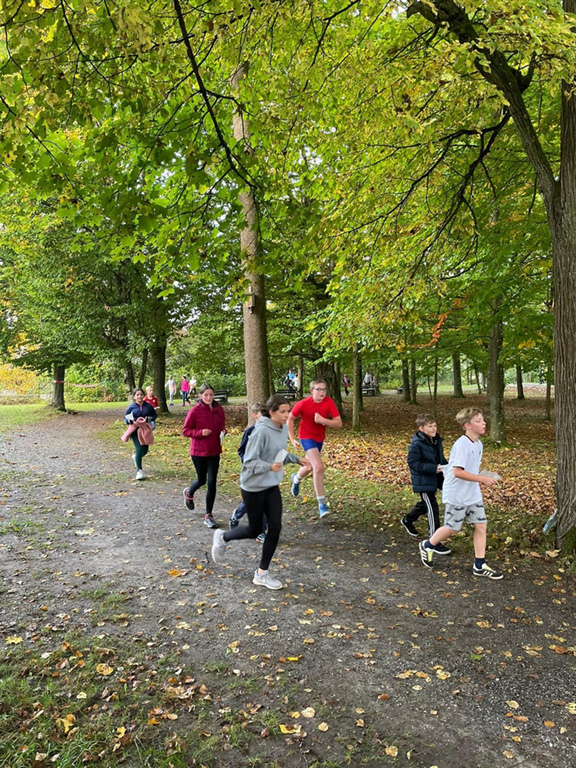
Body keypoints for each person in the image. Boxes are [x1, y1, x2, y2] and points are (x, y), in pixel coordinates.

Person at [211, 395, 310, 589]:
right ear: (272, 412)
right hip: (253, 487)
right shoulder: (261, 431)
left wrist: (296, 459)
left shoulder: (282, 429)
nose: (287, 415)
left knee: (275, 527)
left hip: (271, 485)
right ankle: (223, 537)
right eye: (283, 411)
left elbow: (279, 454)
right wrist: (268, 467)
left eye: (289, 411)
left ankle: (262, 574)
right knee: (255, 530)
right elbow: (249, 461)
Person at [419, 407, 503, 580]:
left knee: (481, 525)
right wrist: (481, 479)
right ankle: (428, 545)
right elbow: (457, 472)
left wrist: (484, 476)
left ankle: (479, 565)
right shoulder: (461, 445)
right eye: (478, 421)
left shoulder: (478, 444)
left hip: (472, 494)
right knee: (452, 528)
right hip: (456, 494)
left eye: (483, 420)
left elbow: (470, 469)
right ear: (467, 426)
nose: (484, 423)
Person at [287, 379, 342, 518]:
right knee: (318, 467)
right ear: (312, 391)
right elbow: (290, 419)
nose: (322, 392)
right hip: (306, 437)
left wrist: (324, 421)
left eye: (324, 389)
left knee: (310, 466)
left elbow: (338, 423)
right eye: (318, 389)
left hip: (319, 438)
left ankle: (296, 478)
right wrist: (292, 439)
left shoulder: (329, 402)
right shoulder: (303, 404)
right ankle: (322, 505)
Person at [401, 414, 449, 553]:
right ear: (421, 428)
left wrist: (448, 466)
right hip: (423, 480)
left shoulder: (436, 441)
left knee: (426, 503)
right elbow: (413, 463)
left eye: (435, 425)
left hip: (437, 477)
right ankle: (434, 542)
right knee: (432, 508)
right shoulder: (416, 444)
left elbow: (440, 459)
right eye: (430, 426)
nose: (434, 428)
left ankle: (408, 520)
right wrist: (433, 468)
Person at [182, 383, 226, 528]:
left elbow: (221, 425)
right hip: (198, 451)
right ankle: (189, 493)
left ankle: (208, 514)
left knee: (212, 482)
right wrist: (200, 432)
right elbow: (185, 430)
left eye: (211, 395)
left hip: (214, 450)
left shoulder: (219, 409)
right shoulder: (195, 411)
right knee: (202, 480)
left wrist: (223, 431)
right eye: (206, 395)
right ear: (200, 396)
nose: (209, 397)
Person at [229, 403, 268, 542]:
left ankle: (261, 532)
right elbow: (241, 451)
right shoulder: (250, 432)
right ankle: (237, 514)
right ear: (255, 416)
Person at [124, 387, 157, 481]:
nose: (139, 396)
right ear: (134, 397)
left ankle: (136, 457)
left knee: (145, 450)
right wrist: (129, 421)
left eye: (141, 394)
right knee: (139, 448)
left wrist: (149, 419)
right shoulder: (131, 407)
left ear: (144, 396)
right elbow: (126, 417)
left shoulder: (148, 406)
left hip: (145, 430)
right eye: (137, 395)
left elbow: (154, 415)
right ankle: (139, 471)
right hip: (134, 430)